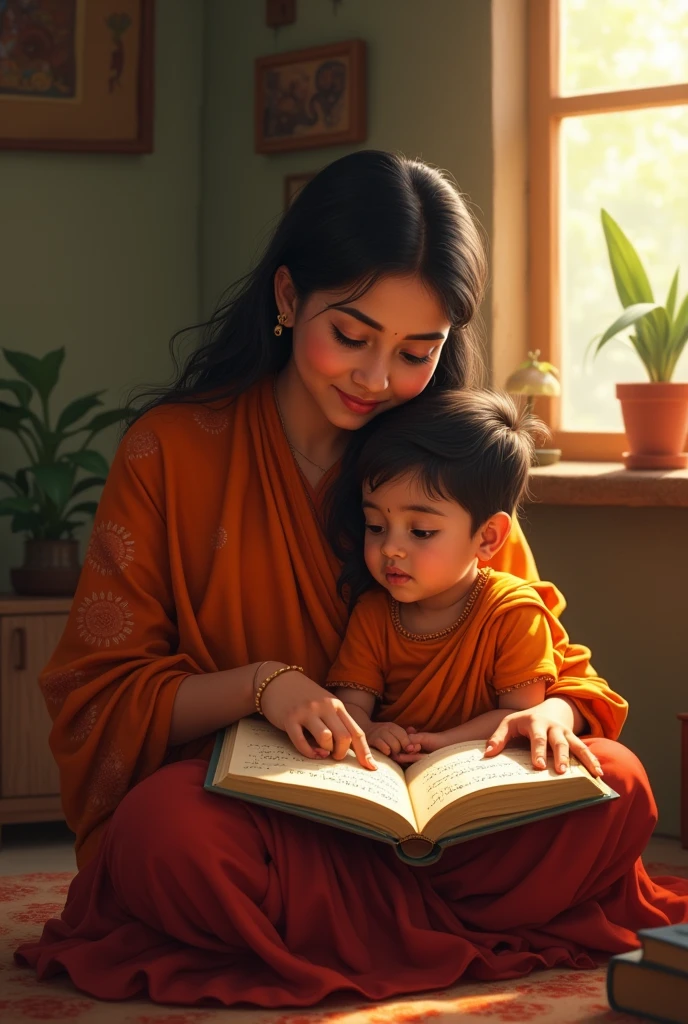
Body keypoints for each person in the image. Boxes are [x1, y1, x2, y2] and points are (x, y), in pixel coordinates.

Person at [15, 151, 687, 1008]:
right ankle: (431, 921)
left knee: (617, 780)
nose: (377, 380)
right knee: (165, 834)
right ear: (289, 300)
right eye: (352, 336)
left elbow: (551, 665)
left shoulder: (450, 460)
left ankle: (365, 920)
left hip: (448, 818)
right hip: (273, 822)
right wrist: (267, 689)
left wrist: (548, 718)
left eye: (416, 351)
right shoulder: (171, 453)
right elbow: (102, 696)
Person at [325, 387, 604, 771]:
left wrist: (441, 742)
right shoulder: (373, 612)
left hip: (480, 766)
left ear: (488, 537)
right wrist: (370, 729)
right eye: (375, 525)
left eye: (420, 531)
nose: (391, 548)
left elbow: (519, 715)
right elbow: (352, 702)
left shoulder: (513, 612)